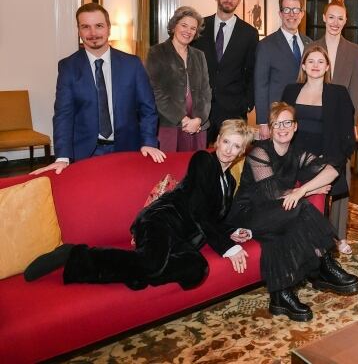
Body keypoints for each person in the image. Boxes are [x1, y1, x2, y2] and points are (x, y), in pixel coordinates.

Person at [25, 120, 255, 289]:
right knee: (152, 263)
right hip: (161, 221)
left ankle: (136, 274)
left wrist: (232, 231)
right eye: (226, 141)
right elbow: (197, 209)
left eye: (236, 146)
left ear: (242, 152)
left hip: (182, 236)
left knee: (196, 269)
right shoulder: (203, 160)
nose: (228, 149)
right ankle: (74, 255)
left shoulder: (229, 180)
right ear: (218, 141)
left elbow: (213, 217)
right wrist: (228, 247)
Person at [227, 102, 358, 322]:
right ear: (270, 129)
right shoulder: (259, 152)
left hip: (277, 213)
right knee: (300, 208)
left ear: (295, 126)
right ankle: (324, 264)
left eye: (287, 122)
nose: (282, 128)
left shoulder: (296, 153)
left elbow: (331, 170)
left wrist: (305, 189)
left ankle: (281, 295)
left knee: (283, 227)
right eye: (277, 124)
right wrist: (306, 192)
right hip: (249, 214)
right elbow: (271, 193)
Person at [32, 3, 164, 175]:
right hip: (85, 153)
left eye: (99, 26)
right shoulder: (68, 67)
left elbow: (148, 108)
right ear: (78, 30)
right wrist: (62, 157)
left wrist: (148, 142)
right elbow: (64, 115)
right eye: (85, 27)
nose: (93, 33)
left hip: (128, 149)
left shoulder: (133, 64)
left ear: (108, 28)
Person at [281, 46, 355, 254]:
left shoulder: (338, 93)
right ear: (303, 65)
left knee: (314, 206)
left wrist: (327, 163)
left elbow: (346, 135)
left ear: (327, 66)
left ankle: (315, 254)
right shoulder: (290, 90)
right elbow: (281, 126)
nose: (315, 66)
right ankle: (292, 250)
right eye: (310, 61)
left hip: (324, 161)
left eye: (320, 62)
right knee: (284, 206)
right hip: (292, 159)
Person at [308, 0, 358, 251]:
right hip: (315, 122)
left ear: (346, 21)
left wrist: (352, 124)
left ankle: (340, 235)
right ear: (323, 18)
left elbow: (355, 90)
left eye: (340, 18)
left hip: (341, 123)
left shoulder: (354, 51)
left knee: (342, 177)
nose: (335, 22)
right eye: (331, 17)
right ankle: (316, 233)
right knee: (315, 176)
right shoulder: (311, 45)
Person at [191, 0, 258, 144]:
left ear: (239, 1)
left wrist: (247, 103)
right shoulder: (199, 27)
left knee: (233, 160)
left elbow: (252, 71)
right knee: (202, 159)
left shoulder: (249, 33)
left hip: (234, 109)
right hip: (201, 110)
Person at [145, 6, 211, 152]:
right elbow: (156, 91)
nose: (188, 31)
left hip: (197, 127)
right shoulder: (157, 52)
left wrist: (198, 119)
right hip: (169, 124)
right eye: (184, 25)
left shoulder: (199, 55)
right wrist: (183, 119)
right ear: (174, 26)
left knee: (196, 168)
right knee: (169, 169)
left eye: (193, 28)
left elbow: (206, 92)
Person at [254, 0, 313, 140]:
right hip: (278, 119)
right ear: (280, 13)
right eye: (286, 9)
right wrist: (263, 122)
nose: (291, 14)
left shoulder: (310, 44)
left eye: (296, 10)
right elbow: (260, 85)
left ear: (302, 13)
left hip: (305, 116)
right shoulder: (266, 45)